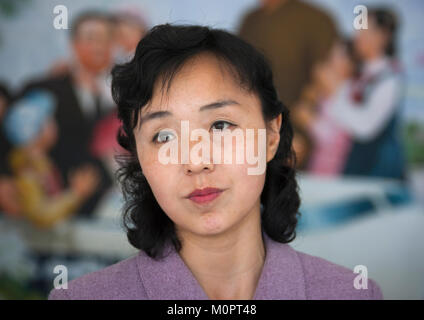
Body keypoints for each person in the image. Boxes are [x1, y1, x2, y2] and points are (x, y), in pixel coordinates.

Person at [48, 24, 383, 300]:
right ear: (139, 159)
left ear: (270, 136)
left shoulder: (351, 294)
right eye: (164, 136)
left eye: (220, 125)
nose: (196, 162)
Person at [20, 11, 116, 215]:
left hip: (107, 214)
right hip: (48, 211)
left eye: (107, 38)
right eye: (91, 38)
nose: (100, 45)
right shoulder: (43, 90)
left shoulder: (124, 97)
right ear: (73, 44)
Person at [323, 8, 406, 179]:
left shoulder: (390, 79)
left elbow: (366, 127)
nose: (358, 37)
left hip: (378, 172)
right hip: (353, 168)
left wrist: (335, 92)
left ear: (383, 35)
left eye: (364, 30)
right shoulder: (359, 74)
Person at [3, 90, 99, 228]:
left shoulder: (41, 163)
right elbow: (40, 215)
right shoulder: (27, 168)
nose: (54, 125)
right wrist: (76, 194)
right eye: (49, 121)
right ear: (35, 131)